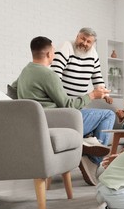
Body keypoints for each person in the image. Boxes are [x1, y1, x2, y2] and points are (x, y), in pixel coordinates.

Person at [12, 36, 115, 186]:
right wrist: (92, 95)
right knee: (108, 114)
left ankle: (87, 144)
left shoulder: (25, 72)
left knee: (91, 117)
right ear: (48, 54)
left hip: (38, 124)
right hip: (58, 123)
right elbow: (67, 104)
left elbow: (12, 91)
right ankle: (93, 160)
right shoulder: (48, 74)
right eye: (53, 51)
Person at [50, 27, 113, 104]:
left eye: (89, 42)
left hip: (79, 102)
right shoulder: (66, 47)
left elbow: (97, 76)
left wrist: (105, 94)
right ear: (77, 36)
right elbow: (55, 74)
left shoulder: (93, 54)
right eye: (83, 39)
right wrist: (60, 98)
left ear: (93, 44)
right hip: (62, 101)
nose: (84, 43)